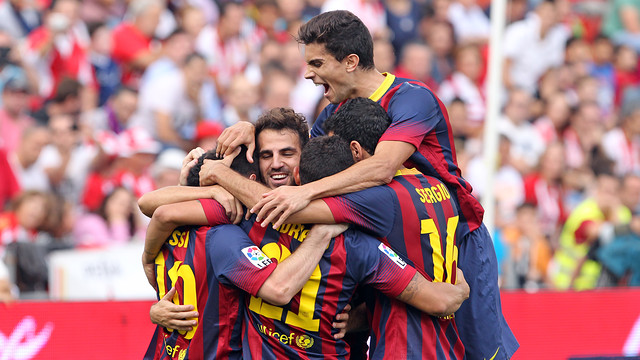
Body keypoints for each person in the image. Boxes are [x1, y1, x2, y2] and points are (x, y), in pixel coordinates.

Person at [214, 10, 517, 359]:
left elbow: (383, 167)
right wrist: (254, 129)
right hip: (380, 235)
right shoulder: (332, 114)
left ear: (350, 62)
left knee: (475, 350)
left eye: (316, 62)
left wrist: (306, 192)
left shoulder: (412, 98)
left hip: (451, 240)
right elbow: (307, 159)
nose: (308, 73)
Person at [140, 108, 469, 358]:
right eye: (266, 155)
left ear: (305, 156)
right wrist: (157, 305)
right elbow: (157, 207)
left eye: (286, 153)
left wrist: (359, 319)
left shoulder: (351, 231)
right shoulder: (244, 210)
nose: (276, 164)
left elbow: (431, 299)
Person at [143, 147, 352, 359]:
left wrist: (147, 262)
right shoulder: (227, 235)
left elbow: (156, 209)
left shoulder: (167, 233)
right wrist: (321, 234)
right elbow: (276, 289)